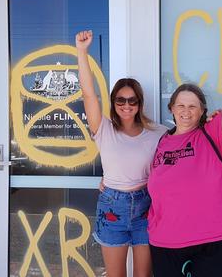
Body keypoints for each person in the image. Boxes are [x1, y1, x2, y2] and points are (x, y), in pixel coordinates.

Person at [148, 55, 222, 277]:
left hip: (220, 243)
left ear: (202, 110)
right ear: (172, 109)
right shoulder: (162, 141)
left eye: (193, 106)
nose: (186, 111)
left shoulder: (212, 134)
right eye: (181, 105)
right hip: (166, 246)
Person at [76, 30, 167, 277]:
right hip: (112, 206)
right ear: (113, 102)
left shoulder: (159, 133)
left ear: (140, 103)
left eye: (132, 100)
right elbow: (88, 94)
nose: (126, 105)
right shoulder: (104, 129)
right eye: (120, 100)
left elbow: (179, 157)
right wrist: (82, 52)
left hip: (146, 206)